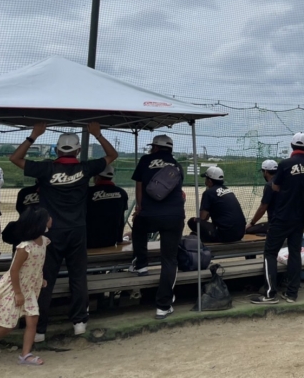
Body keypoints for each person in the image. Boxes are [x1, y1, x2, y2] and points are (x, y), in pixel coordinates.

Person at [9, 122, 117, 341]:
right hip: (77, 229)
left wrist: (33, 135)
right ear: (78, 150)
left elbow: (15, 158)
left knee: (45, 278)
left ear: (57, 150)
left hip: (50, 232)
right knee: (78, 276)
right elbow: (112, 155)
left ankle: (39, 329)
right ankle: (79, 322)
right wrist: (98, 135)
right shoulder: (85, 168)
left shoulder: (46, 169)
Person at [0, 207, 52, 366]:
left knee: (33, 320)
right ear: (40, 223)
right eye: (48, 217)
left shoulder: (44, 241)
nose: (51, 219)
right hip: (15, 288)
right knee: (9, 324)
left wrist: (39, 278)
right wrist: (18, 293)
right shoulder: (25, 247)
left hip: (30, 288)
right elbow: (14, 270)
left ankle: (25, 355)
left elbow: (37, 264)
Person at [251, 132, 304, 305]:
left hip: (282, 216)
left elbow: (275, 186)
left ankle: (270, 294)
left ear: (292, 145)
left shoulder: (285, 164)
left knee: (270, 252)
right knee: (295, 253)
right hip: (300, 216)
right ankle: (292, 293)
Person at [130, 134, 184, 320]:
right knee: (169, 260)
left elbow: (139, 187)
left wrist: (140, 207)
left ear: (155, 148)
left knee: (138, 226)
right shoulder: (177, 165)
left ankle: (141, 265)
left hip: (149, 214)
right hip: (174, 216)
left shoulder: (145, 160)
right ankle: (163, 306)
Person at [188, 166, 246, 243]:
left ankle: (204, 238)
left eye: (206, 179)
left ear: (209, 181)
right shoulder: (228, 190)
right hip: (240, 233)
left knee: (192, 221)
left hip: (225, 235)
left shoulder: (209, 193)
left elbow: (202, 218)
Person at [86, 165, 128, 249]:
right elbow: (121, 218)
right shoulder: (122, 193)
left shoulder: (88, 192)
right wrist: (119, 240)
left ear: (97, 177)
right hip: (111, 240)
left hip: (89, 240)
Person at [246, 160, 278, 234]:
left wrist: (252, 223)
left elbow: (262, 208)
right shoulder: (285, 182)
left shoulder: (269, 185)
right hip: (290, 222)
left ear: (266, 172)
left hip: (276, 224)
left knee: (248, 230)